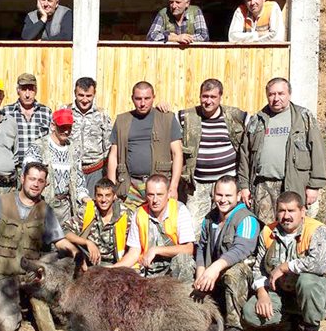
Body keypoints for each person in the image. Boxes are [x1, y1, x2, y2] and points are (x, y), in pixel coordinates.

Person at [0, 162, 79, 331]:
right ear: (22, 179)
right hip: (2, 274)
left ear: (45, 184)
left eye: (40, 181)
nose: (36, 184)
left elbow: (59, 240)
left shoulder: (45, 210)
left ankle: (47, 306)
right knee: (5, 327)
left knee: (67, 259)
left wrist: (77, 253)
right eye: (32, 179)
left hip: (29, 274)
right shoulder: (1, 202)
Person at [242, 191, 326, 331]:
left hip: (315, 292)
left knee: (307, 281)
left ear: (302, 212)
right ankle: (290, 322)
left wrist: (286, 266)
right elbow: (259, 268)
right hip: (283, 293)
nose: (286, 216)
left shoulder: (316, 230)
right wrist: (262, 293)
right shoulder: (268, 232)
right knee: (250, 313)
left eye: (291, 211)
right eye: (282, 211)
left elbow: (320, 264)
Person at [237, 77, 326, 223]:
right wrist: (244, 186)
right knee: (265, 230)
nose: (276, 98)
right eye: (272, 94)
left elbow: (317, 152)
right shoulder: (257, 120)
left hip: (294, 185)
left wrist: (314, 186)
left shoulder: (303, 117)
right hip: (263, 187)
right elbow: (244, 156)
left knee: (293, 228)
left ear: (289, 94)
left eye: (281, 93)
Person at [193, 176, 260, 331]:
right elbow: (201, 247)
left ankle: (235, 327)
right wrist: (201, 270)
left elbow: (241, 249)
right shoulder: (210, 218)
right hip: (213, 277)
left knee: (233, 272)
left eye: (228, 195)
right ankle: (198, 313)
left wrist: (215, 268)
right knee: (183, 261)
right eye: (219, 195)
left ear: (238, 196)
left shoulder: (247, 219)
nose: (223, 200)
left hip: (242, 281)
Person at [177, 78, 248, 234]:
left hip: (226, 184)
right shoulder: (186, 117)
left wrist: (243, 185)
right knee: (194, 227)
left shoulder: (236, 116)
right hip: (197, 186)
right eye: (205, 96)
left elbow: (252, 137)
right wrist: (161, 108)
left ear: (220, 96)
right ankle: (196, 257)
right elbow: (166, 124)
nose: (208, 101)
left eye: (212, 97)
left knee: (225, 225)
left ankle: (223, 256)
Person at [107, 81, 183, 211]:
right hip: (130, 186)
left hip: (159, 186)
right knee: (127, 225)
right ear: (132, 99)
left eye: (147, 98)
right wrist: (111, 188)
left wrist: (173, 187)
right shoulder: (122, 121)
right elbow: (113, 156)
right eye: (138, 99)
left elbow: (177, 154)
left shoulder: (167, 118)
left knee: (160, 226)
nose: (142, 103)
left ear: (154, 97)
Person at [115, 174, 196, 283]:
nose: (155, 200)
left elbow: (188, 249)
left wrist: (156, 250)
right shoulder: (139, 214)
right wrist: (112, 269)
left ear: (168, 194)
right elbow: (134, 253)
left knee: (184, 260)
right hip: (148, 269)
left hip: (173, 268)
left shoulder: (179, 210)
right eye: (150, 195)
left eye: (160, 194)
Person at [23, 108, 90, 224]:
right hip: (41, 207)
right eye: (62, 127)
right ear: (53, 126)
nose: (66, 131)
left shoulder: (73, 150)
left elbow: (79, 182)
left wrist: (86, 198)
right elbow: (28, 179)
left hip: (66, 209)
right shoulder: (38, 147)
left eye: (69, 127)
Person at [58, 77, 112, 196]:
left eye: (89, 96)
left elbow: (108, 146)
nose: (84, 100)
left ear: (94, 94)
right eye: (81, 95)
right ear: (75, 93)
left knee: (93, 206)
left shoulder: (102, 115)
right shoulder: (65, 111)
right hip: (69, 168)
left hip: (95, 170)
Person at [63, 178, 131, 266]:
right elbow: (65, 231)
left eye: (107, 195)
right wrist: (87, 242)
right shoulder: (88, 210)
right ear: (95, 196)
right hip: (88, 263)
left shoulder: (125, 215)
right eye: (99, 195)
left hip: (115, 265)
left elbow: (135, 247)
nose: (103, 200)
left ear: (114, 196)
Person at [2, 73, 53, 167]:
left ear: (36, 91)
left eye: (31, 89)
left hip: (39, 169)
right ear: (18, 91)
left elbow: (52, 141)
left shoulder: (46, 112)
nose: (27, 94)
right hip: (15, 168)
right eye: (24, 89)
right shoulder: (7, 112)